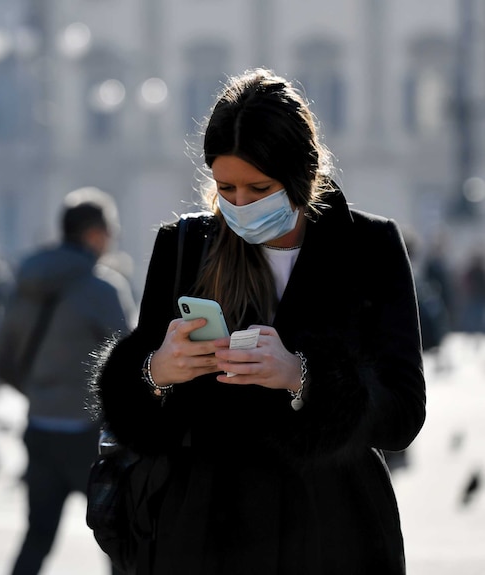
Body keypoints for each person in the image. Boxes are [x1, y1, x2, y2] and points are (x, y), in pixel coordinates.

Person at [90, 68, 426, 574]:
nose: (240, 205)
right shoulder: (184, 246)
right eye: (226, 187)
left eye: (259, 187)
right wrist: (156, 372)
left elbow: (403, 414)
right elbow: (135, 419)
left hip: (332, 534)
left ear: (299, 174)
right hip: (206, 534)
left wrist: (302, 377)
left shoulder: (370, 246)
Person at [0, 187, 137, 575]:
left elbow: (2, 355)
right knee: (117, 537)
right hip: (87, 434)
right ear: (94, 234)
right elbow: (130, 363)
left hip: (39, 425)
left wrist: (38, 392)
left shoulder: (26, 282)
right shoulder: (102, 289)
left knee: (37, 535)